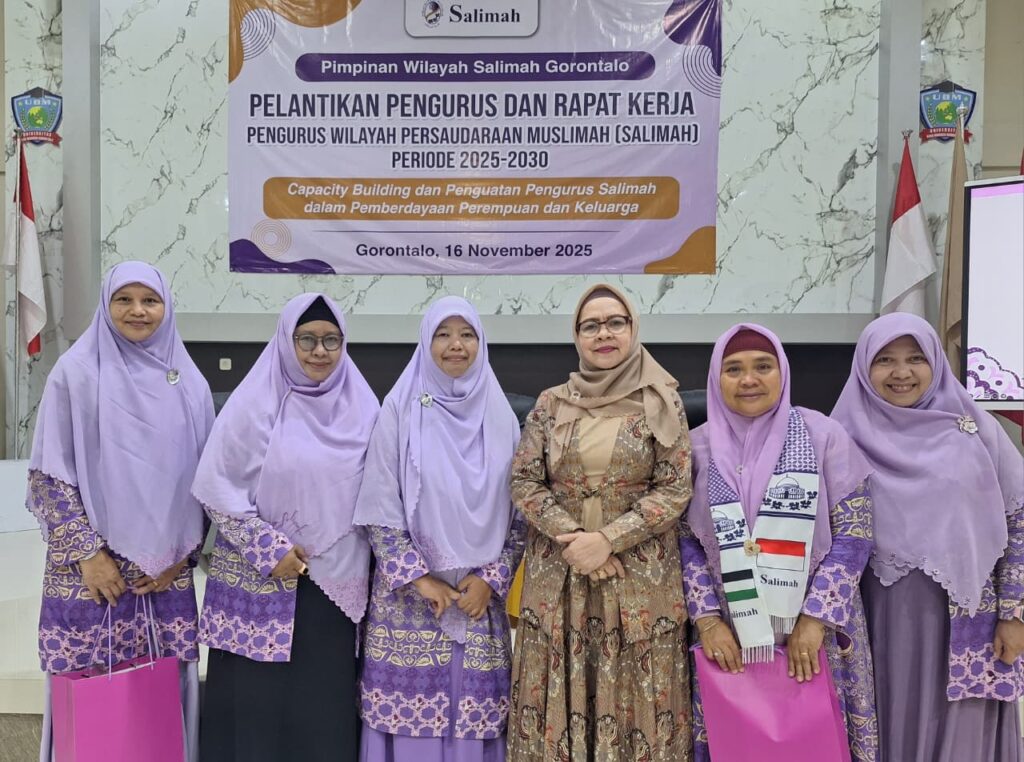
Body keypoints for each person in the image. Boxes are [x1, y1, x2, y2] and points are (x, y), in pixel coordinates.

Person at [27, 261, 214, 762]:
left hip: (164, 577)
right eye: (124, 300)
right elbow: (49, 475)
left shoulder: (189, 383)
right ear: (105, 306)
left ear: (166, 307)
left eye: (150, 300)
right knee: (89, 698)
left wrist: (181, 556)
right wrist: (89, 556)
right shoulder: (76, 374)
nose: (138, 311)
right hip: (91, 574)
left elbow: (206, 482)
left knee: (160, 701)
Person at [506, 284, 693, 761]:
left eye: (615, 323)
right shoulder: (551, 403)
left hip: (637, 581)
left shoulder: (662, 399)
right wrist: (577, 542)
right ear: (576, 336)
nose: (603, 334)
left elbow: (675, 487)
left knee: (638, 707)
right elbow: (524, 480)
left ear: (632, 328)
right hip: (561, 576)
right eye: (591, 325)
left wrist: (608, 540)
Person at [193, 293, 378, 762]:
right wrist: (269, 549)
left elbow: (380, 492)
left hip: (332, 584)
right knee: (255, 709)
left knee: (321, 709)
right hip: (260, 584)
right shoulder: (252, 404)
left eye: (331, 340)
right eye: (307, 339)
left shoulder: (364, 408)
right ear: (286, 340)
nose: (320, 351)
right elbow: (216, 487)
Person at [679, 323, 877, 760]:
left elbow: (855, 533)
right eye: (733, 369)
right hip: (729, 628)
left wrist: (816, 618)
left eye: (763, 366)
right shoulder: (696, 448)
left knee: (817, 741)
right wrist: (708, 621)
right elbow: (685, 541)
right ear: (716, 378)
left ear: (783, 372)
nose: (748, 379)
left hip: (815, 629)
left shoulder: (823, 436)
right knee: (736, 742)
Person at [832, 313, 1024, 761]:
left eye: (916, 358)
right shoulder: (837, 437)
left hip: (968, 618)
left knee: (961, 736)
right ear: (863, 366)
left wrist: (1014, 615)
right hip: (875, 617)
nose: (901, 372)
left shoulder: (976, 431)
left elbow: (1018, 522)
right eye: (884, 360)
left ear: (936, 363)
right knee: (883, 722)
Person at [353, 296, 525, 762]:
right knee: (410, 719)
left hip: (478, 602)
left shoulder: (501, 417)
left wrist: (491, 580)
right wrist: (420, 578)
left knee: (474, 717)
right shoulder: (399, 409)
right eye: (443, 334)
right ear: (425, 343)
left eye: (467, 334)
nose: (456, 345)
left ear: (481, 343)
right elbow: (379, 505)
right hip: (409, 604)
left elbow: (521, 514)